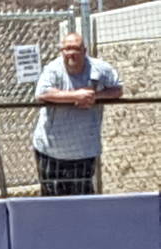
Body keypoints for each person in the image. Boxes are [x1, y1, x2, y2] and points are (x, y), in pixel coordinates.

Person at [33, 32, 123, 197]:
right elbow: (42, 93)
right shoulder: (52, 69)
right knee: (52, 202)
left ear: (84, 50)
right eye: (67, 49)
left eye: (75, 49)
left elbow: (117, 89)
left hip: (84, 150)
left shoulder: (100, 68)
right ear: (62, 51)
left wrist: (95, 97)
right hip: (51, 150)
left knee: (82, 200)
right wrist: (76, 95)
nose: (71, 53)